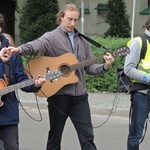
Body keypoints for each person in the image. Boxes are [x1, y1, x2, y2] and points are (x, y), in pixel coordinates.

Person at [8, 3, 114, 150]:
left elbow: (89, 68)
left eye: (76, 20)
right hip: (59, 96)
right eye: (69, 19)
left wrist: (105, 66)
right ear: (61, 17)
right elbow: (36, 45)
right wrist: (18, 49)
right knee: (55, 137)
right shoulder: (51, 37)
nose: (72, 23)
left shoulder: (83, 41)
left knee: (87, 137)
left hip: (80, 97)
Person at [0, 33, 46, 150]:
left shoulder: (14, 58)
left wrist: (35, 84)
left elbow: (21, 80)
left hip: (8, 113)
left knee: (12, 146)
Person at [124, 17, 150, 150]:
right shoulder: (138, 42)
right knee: (136, 135)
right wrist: (148, 78)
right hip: (141, 94)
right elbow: (128, 69)